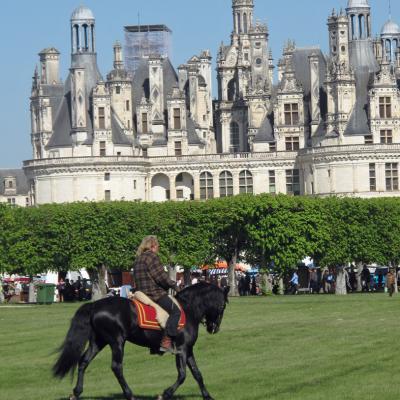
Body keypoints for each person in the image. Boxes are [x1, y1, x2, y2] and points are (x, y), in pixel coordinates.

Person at [133, 235, 180, 353]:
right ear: (153, 245)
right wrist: (174, 285)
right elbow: (161, 277)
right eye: (157, 246)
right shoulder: (152, 257)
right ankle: (167, 341)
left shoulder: (138, 259)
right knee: (176, 312)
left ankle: (154, 345)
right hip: (154, 294)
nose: (158, 248)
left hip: (141, 295)